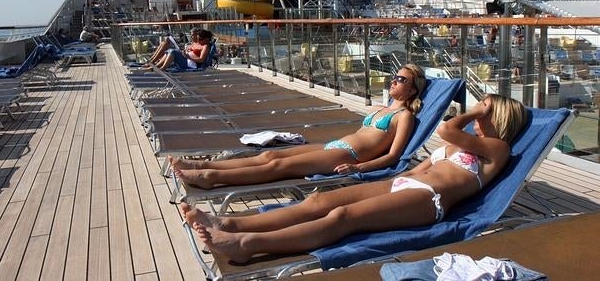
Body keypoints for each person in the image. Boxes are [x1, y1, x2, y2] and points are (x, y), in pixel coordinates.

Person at [181, 93, 528, 263]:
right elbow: (414, 169)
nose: (479, 114)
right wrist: (368, 175)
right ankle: (228, 223)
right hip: (406, 185)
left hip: (428, 201)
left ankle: (246, 247)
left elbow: (447, 128)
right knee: (317, 201)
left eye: (486, 110)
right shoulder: (471, 146)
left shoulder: (497, 149)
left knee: (342, 218)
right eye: (480, 108)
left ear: (500, 117)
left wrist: (475, 111)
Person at [171, 64, 427, 189]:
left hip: (348, 155)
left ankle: (210, 177)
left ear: (412, 88)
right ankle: (202, 165)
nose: (394, 81)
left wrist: (357, 167)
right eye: (394, 76)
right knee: (269, 154)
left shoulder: (403, 116)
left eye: (401, 79)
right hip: (334, 145)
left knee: (277, 166)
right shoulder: (382, 109)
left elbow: (394, 156)